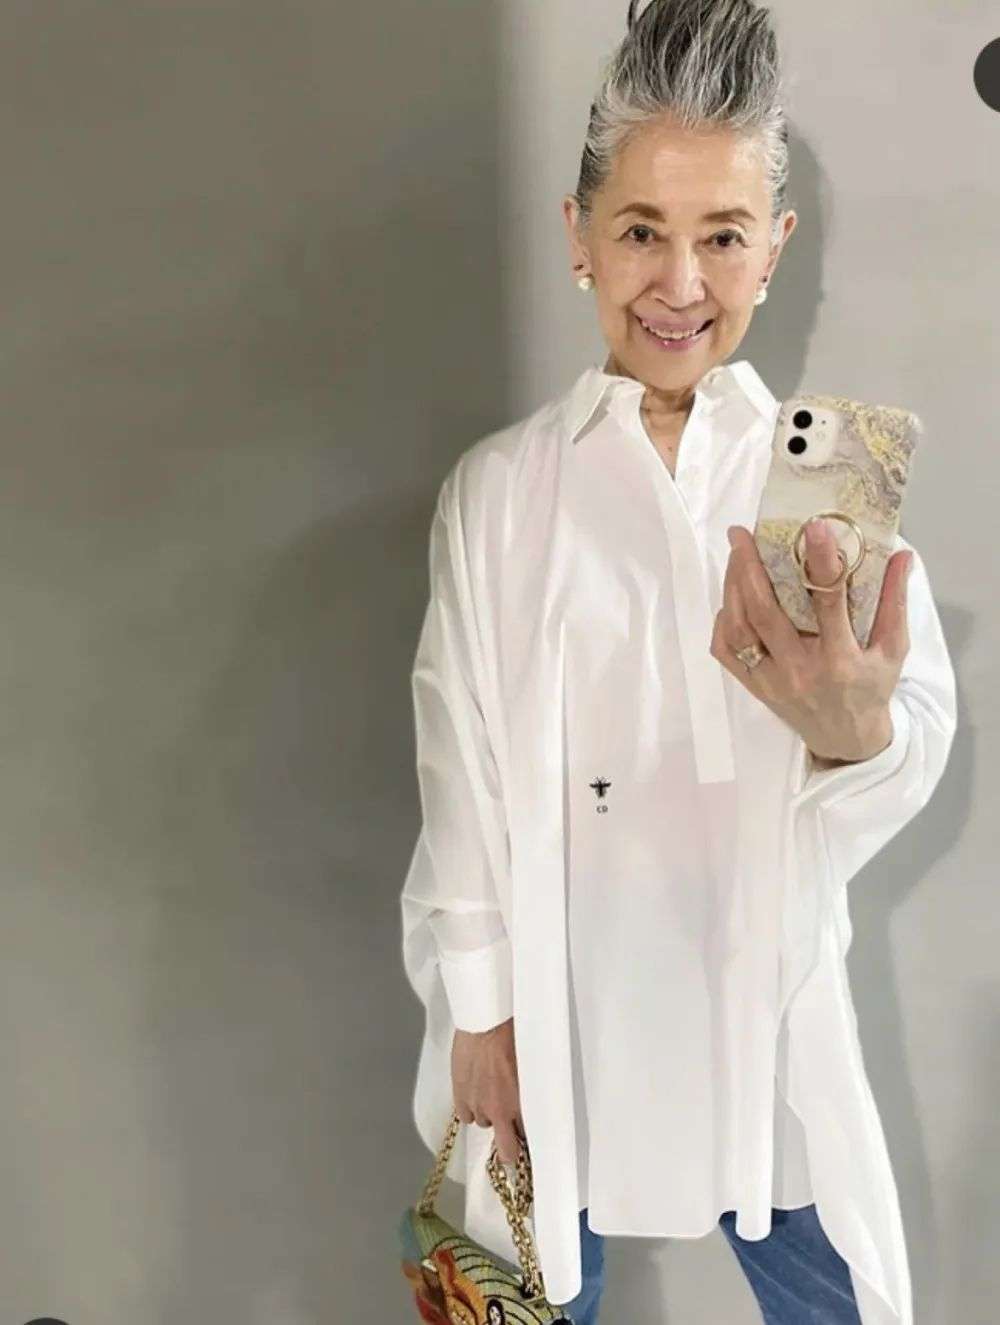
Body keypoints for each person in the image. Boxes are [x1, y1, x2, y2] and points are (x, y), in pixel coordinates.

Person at [399, 1, 957, 1323]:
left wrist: (859, 732)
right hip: (561, 998)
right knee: (529, 1290)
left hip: (759, 996)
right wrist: (482, 1010)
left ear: (775, 247)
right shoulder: (503, 491)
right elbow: (458, 759)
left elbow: (909, 736)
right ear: (579, 235)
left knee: (835, 1286)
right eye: (643, 230)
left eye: (722, 235)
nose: (681, 282)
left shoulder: (825, 485)